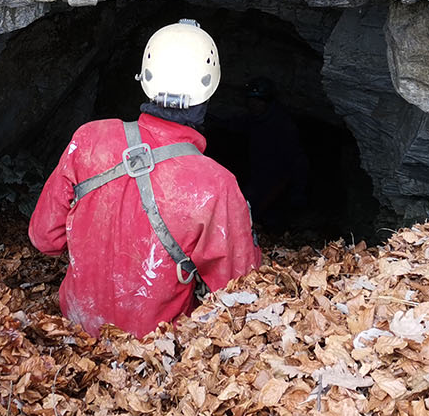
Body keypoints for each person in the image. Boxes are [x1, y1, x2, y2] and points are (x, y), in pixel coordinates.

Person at [28, 19, 261, 337]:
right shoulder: (216, 184)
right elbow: (239, 287)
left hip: (75, 332)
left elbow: (45, 238)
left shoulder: (89, 139)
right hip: (154, 349)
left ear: (145, 79)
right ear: (210, 91)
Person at [236, 77, 310, 234]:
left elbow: (294, 163)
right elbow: (234, 126)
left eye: (259, 100)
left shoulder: (283, 126)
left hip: (279, 182)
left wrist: (296, 192)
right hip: (259, 176)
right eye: (251, 100)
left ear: (268, 102)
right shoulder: (253, 120)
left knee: (270, 219)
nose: (254, 104)